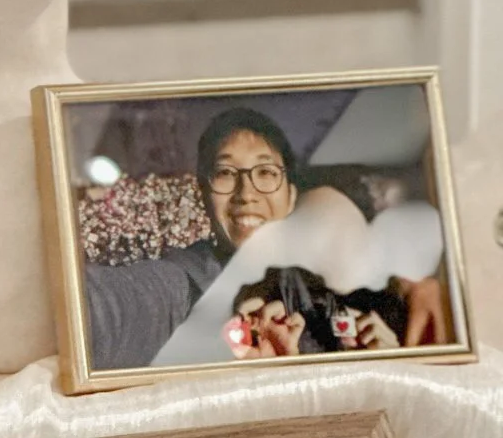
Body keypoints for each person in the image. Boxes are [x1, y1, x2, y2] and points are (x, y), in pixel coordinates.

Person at [82, 107, 448, 371]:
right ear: (204, 193)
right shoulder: (187, 286)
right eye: (226, 173)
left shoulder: (346, 306)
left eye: (265, 172)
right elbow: (103, 313)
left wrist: (386, 366)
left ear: (291, 196)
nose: (247, 193)